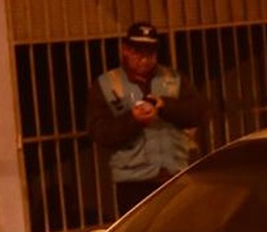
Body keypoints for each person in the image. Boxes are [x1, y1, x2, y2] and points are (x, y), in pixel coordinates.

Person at [86, 21, 209, 216]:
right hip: (133, 182)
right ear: (125, 49)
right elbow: (100, 131)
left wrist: (164, 106)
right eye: (138, 52)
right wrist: (133, 120)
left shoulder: (174, 78)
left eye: (150, 53)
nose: (144, 59)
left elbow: (197, 112)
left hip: (174, 175)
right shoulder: (107, 85)